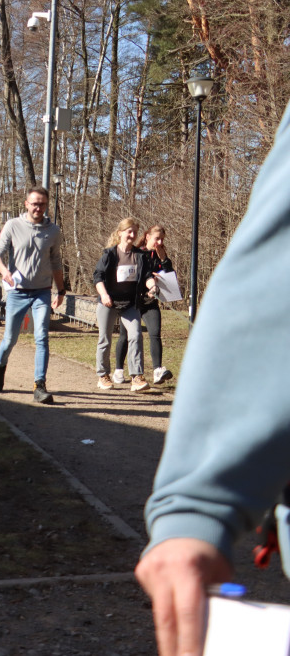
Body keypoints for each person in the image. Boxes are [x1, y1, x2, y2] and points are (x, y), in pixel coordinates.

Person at [135, 98, 290, 656]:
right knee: (129, 337)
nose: (151, 243)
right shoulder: (124, 254)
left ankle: (147, 371)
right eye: (148, 238)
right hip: (127, 305)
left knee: (149, 340)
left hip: (156, 306)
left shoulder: (163, 254)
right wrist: (198, 502)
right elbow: (275, 275)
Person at [0, 186, 65, 404]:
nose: (38, 208)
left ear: (46, 205)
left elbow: (56, 262)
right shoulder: (13, 225)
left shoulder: (53, 231)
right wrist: (5, 272)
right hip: (17, 292)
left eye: (42, 204)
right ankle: (0, 365)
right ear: (26, 204)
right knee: (10, 339)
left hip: (42, 291)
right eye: (34, 203)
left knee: (41, 335)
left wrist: (60, 290)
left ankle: (39, 385)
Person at [93, 218, 156, 393]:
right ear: (120, 233)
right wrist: (104, 295)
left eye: (135, 231)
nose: (132, 235)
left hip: (129, 303)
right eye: (129, 231)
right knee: (104, 339)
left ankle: (136, 377)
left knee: (136, 335)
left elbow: (147, 276)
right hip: (108, 301)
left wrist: (152, 286)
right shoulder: (110, 254)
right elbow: (97, 276)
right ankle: (103, 375)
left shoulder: (141, 255)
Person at [113, 225, 174, 386]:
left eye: (162, 239)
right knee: (126, 336)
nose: (159, 242)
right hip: (133, 302)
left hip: (150, 302)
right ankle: (118, 370)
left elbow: (169, 276)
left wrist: (164, 260)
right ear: (147, 237)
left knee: (155, 333)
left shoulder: (160, 254)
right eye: (157, 239)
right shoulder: (136, 252)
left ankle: (157, 371)